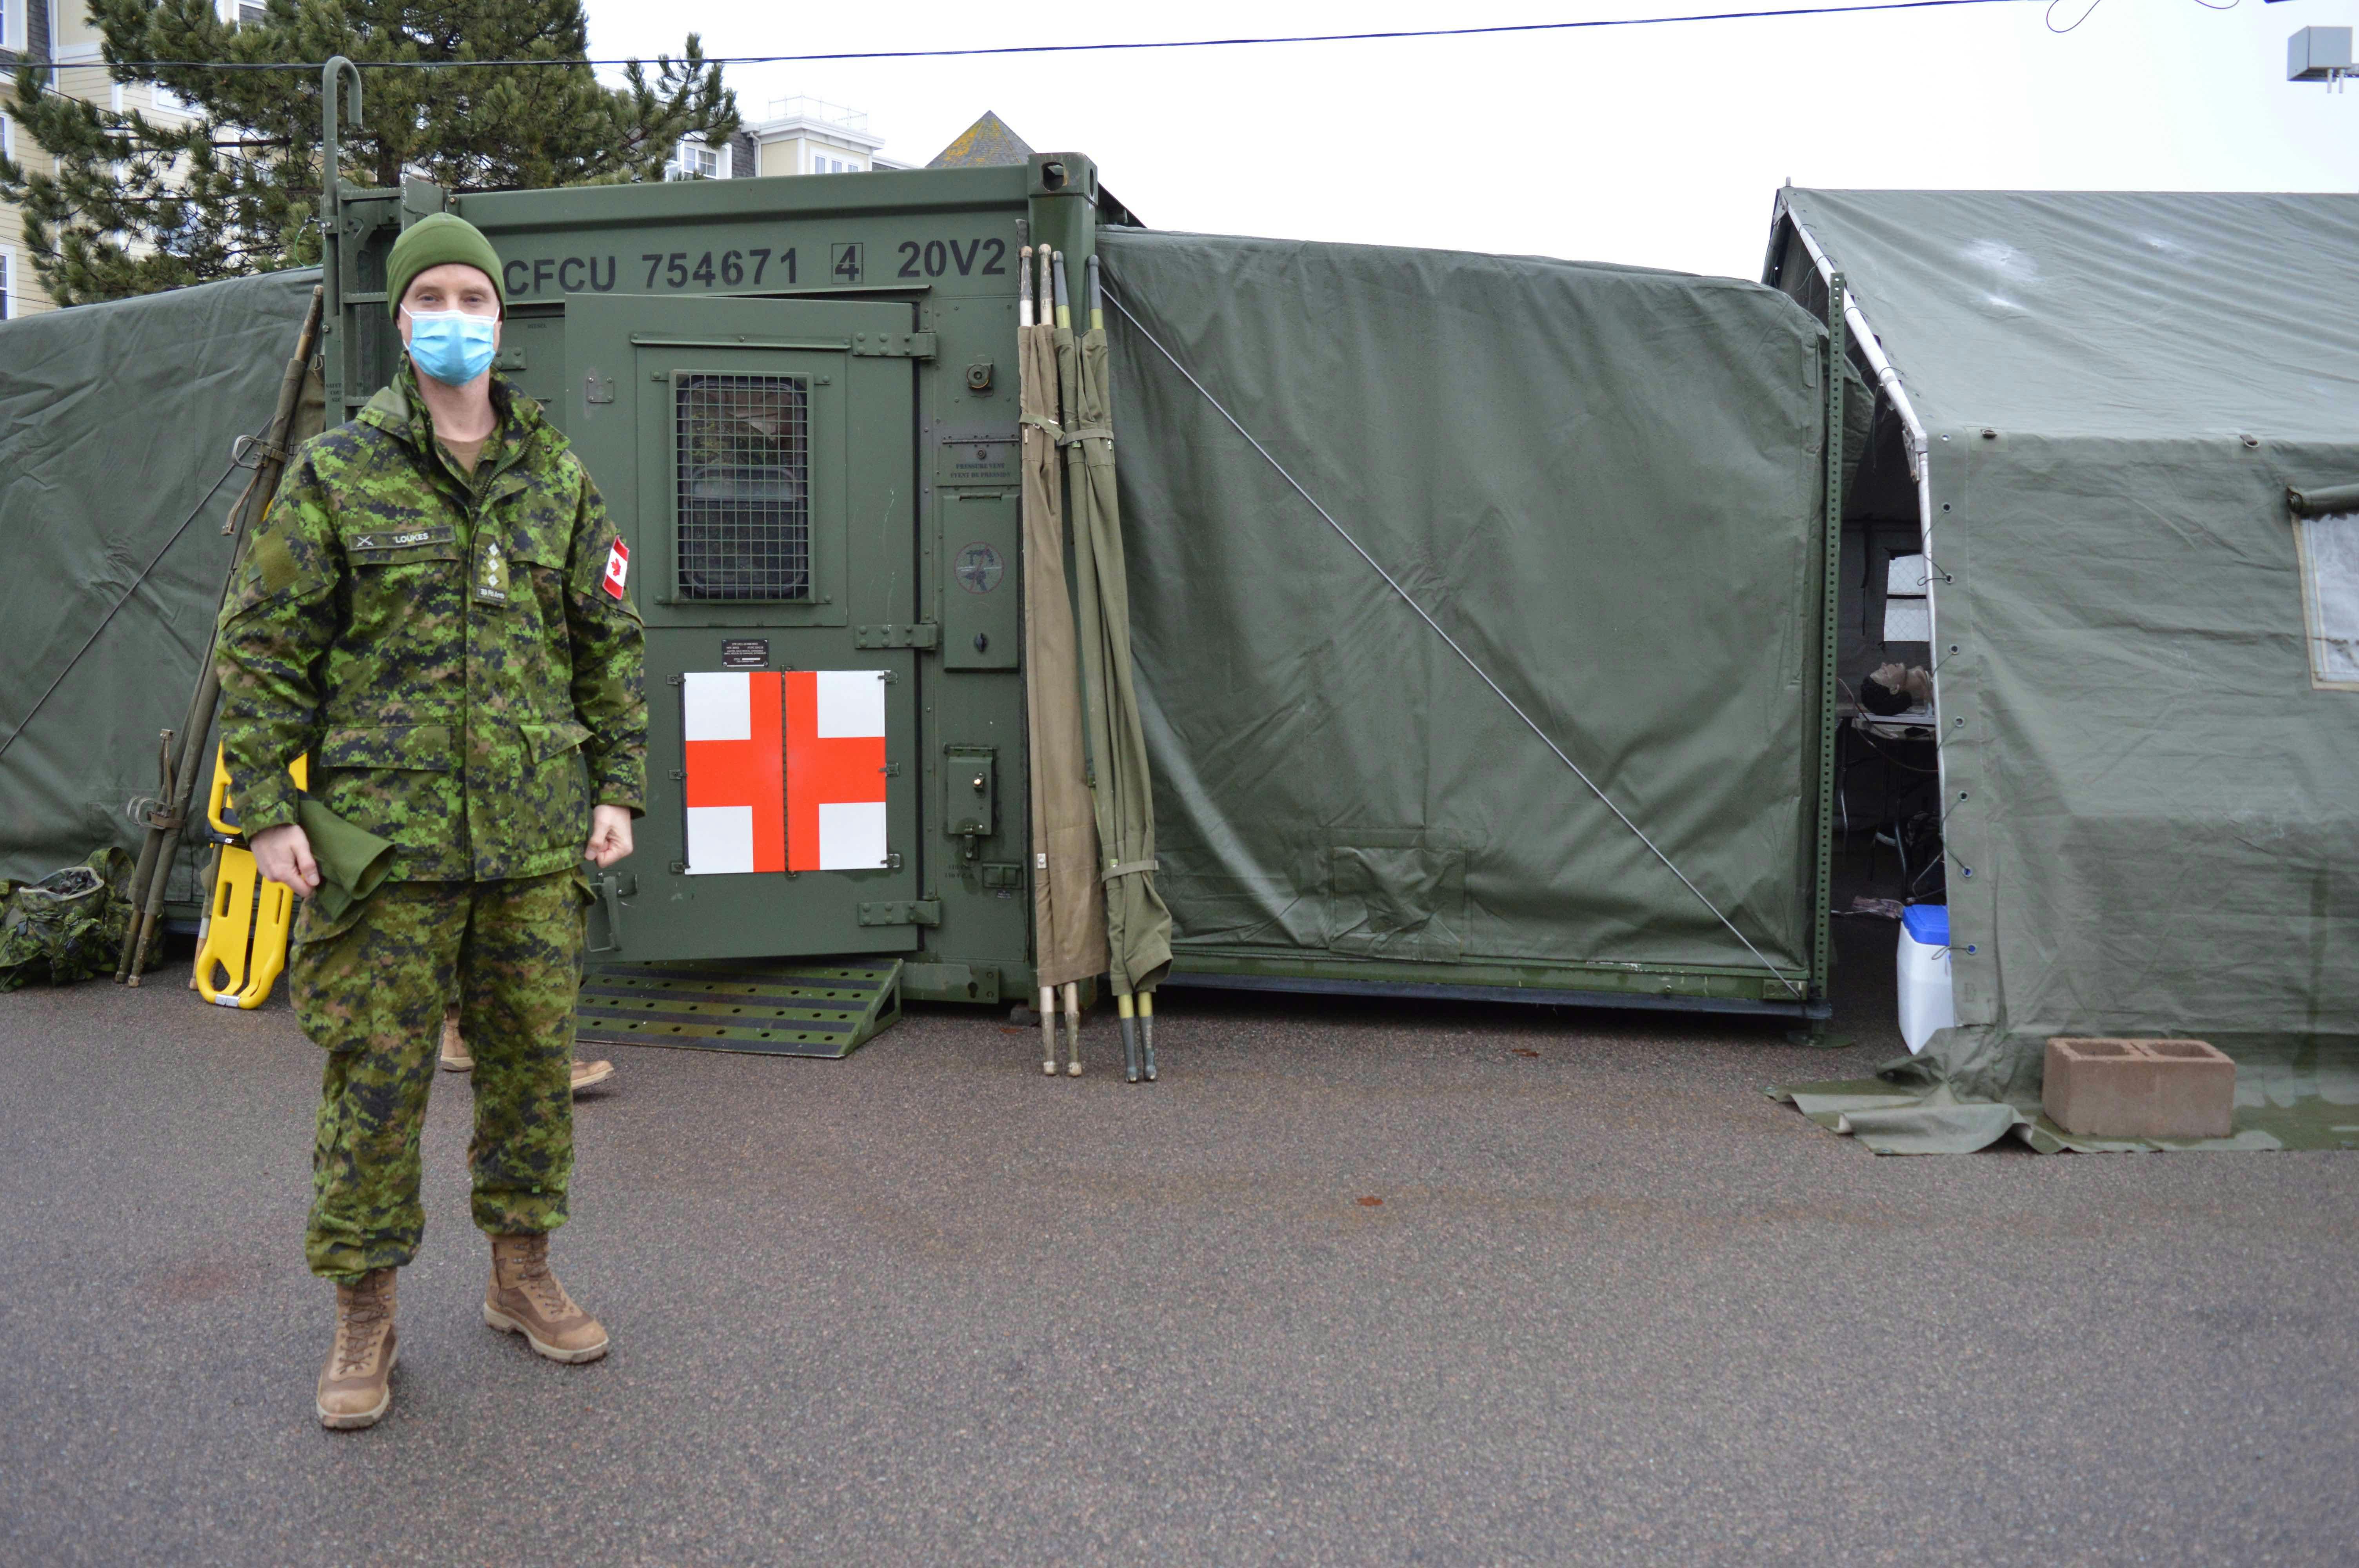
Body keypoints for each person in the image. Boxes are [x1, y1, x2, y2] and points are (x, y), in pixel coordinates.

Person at [214, 213, 646, 1430]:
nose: (456, 317)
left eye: (476, 298)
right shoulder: (340, 474)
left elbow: (607, 640)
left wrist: (615, 788)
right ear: (401, 322)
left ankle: (523, 1277)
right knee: (376, 1084)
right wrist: (263, 813)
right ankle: (364, 1317)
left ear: (501, 322)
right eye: (433, 298)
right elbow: (262, 648)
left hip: (530, 846)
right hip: (383, 853)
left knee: (528, 1079)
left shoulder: (555, 478)